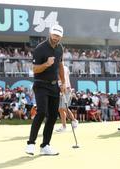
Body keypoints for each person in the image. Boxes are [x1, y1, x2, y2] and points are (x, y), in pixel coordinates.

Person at [25, 25, 66, 156]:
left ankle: (45, 145)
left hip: (54, 86)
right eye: (54, 35)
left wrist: (63, 82)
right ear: (50, 34)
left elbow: (60, 65)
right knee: (42, 112)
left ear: (61, 36)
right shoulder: (40, 48)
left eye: (58, 36)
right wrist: (46, 64)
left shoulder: (60, 48)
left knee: (53, 116)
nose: (56, 38)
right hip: (41, 84)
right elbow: (35, 69)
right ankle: (31, 143)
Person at [56, 65, 78, 132]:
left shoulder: (60, 68)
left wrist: (63, 88)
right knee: (60, 109)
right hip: (62, 89)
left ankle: (74, 121)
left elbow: (61, 79)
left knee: (64, 108)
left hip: (65, 89)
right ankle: (64, 126)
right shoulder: (64, 67)